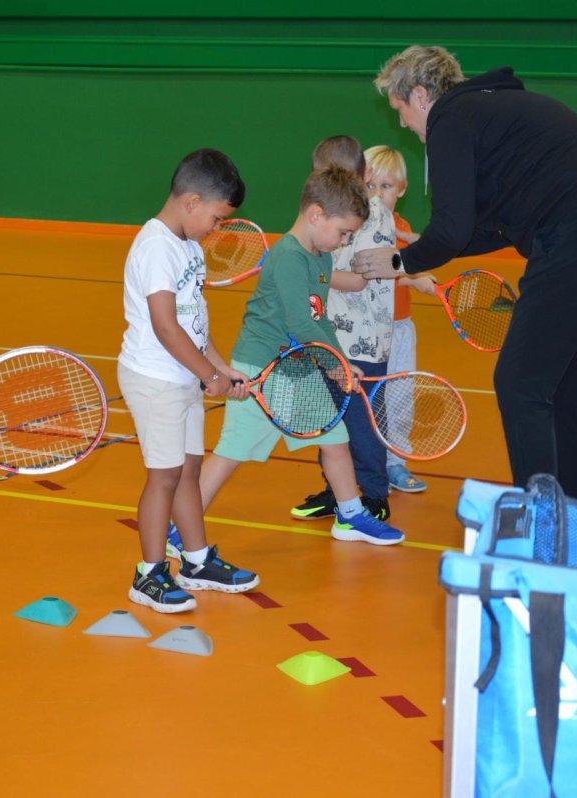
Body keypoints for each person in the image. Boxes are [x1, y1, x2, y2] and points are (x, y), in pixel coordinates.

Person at [354, 45, 577, 501]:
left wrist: (398, 263)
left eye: (400, 109)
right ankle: (573, 513)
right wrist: (423, 243)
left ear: (420, 95)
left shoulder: (449, 119)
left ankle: (541, 517)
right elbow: (489, 228)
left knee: (520, 383)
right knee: (567, 385)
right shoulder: (494, 108)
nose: (403, 123)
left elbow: (452, 230)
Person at [193, 166, 407, 547]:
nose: (344, 242)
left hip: (299, 367)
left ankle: (351, 516)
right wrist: (336, 364)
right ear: (316, 215)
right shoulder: (289, 257)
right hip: (262, 368)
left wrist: (340, 361)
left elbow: (318, 319)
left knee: (336, 440)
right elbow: (299, 322)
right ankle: (183, 527)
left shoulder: (322, 258)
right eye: (343, 233)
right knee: (230, 453)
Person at [118, 148, 259, 614]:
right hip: (154, 377)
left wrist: (221, 367)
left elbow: (194, 322)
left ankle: (196, 562)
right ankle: (149, 573)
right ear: (192, 201)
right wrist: (207, 375)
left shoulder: (190, 248)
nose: (216, 228)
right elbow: (164, 325)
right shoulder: (156, 247)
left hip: (182, 375)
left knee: (189, 470)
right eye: (217, 218)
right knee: (164, 475)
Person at [290, 139, 436, 524]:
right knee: (331, 419)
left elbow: (360, 277)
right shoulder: (331, 212)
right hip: (330, 336)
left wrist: (308, 274)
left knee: (362, 420)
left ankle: (373, 494)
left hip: (364, 342)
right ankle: (337, 490)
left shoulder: (375, 216)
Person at [365, 144, 435, 493]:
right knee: (367, 400)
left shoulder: (402, 227)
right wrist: (412, 279)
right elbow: (372, 273)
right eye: (370, 186)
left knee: (400, 397)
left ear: (402, 190)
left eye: (386, 186)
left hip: (400, 328)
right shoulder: (355, 227)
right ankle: (366, 465)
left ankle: (396, 463)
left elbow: (408, 259)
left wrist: (416, 276)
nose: (378, 195)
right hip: (366, 330)